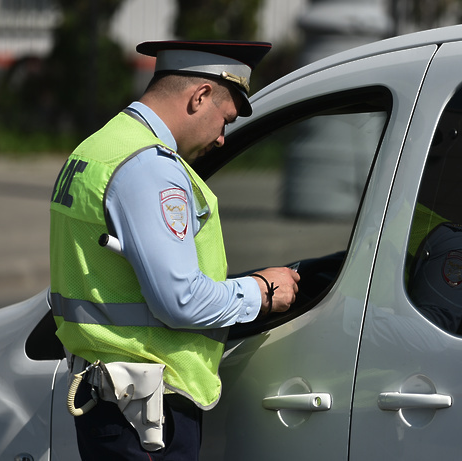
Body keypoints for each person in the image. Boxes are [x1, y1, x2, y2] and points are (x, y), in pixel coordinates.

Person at [48, 40, 300, 460]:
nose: (222, 139)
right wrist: (262, 291)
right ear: (200, 96)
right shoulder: (149, 167)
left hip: (113, 403)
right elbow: (180, 300)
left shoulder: (98, 147)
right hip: (146, 417)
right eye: (225, 120)